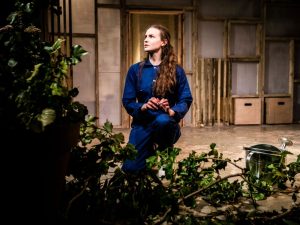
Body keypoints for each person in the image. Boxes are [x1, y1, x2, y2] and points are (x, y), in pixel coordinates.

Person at [122, 24, 193, 173]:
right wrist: (143, 106)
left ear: (164, 42)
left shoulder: (176, 71)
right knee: (130, 169)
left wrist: (170, 110)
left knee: (163, 121)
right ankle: (150, 150)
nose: (146, 40)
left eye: (151, 36)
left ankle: (164, 151)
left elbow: (185, 99)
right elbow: (127, 101)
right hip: (142, 125)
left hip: (166, 125)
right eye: (145, 36)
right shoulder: (135, 70)